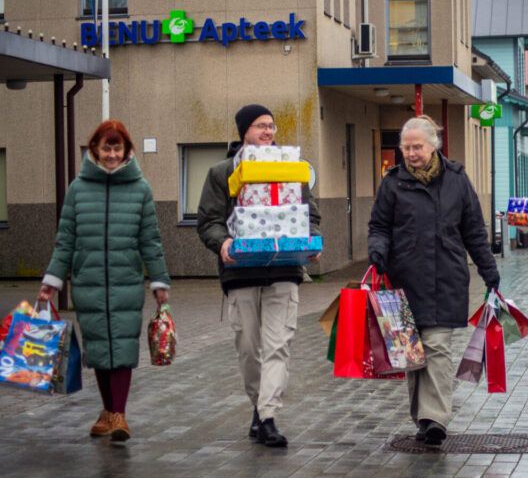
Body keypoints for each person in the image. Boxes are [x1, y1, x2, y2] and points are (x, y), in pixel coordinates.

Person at [368, 115, 500, 447]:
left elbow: (474, 230)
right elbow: (379, 226)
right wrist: (377, 251)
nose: (411, 153)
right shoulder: (393, 182)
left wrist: (489, 270)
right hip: (402, 281)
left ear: (434, 146)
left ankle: (435, 418)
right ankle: (423, 418)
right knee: (411, 354)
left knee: (437, 347)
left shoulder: (456, 179)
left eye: (417, 147)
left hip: (446, 278)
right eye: (406, 148)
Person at [38, 120, 171, 443]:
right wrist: (52, 280)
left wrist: (159, 280)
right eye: (106, 148)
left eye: (117, 148)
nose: (112, 154)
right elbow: (66, 239)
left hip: (126, 281)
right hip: (89, 282)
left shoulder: (141, 189)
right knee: (99, 349)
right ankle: (109, 411)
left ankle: (118, 414)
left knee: (123, 347)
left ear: (127, 150)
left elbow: (150, 240)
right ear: (95, 150)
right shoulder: (78, 189)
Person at [197, 104, 321, 448]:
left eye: (271, 126)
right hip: (241, 273)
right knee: (249, 350)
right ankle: (258, 405)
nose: (268, 131)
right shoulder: (222, 173)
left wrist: (312, 240)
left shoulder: (291, 168)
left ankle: (268, 417)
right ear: (244, 132)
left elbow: (310, 214)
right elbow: (208, 221)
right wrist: (222, 242)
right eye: (260, 126)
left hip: (284, 269)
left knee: (278, 345)